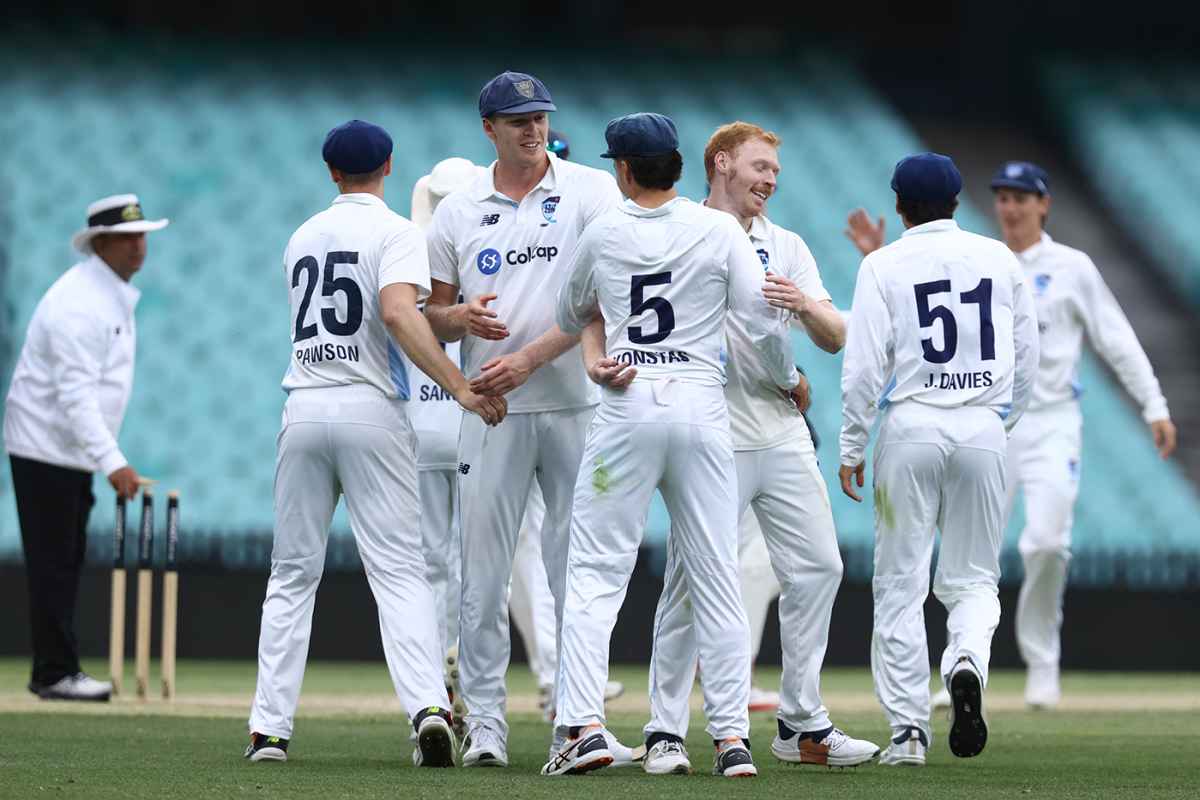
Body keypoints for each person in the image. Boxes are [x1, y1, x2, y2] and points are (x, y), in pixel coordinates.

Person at [848, 161, 1176, 708]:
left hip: (1046, 424)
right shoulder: (980, 258)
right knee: (969, 561)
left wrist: (1154, 403)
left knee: (1046, 543)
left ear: (1044, 205)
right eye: (1002, 195)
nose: (1011, 205)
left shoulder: (1070, 267)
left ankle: (1039, 663)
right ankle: (963, 667)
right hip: (988, 422)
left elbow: (1116, 338)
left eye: (1023, 196)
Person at [546, 112, 804, 778]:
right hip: (699, 403)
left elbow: (569, 312)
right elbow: (762, 320)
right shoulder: (719, 229)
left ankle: (583, 728)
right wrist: (790, 378)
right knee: (716, 575)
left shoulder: (603, 229)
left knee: (596, 573)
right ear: (681, 165)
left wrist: (603, 338)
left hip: (627, 402)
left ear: (624, 169)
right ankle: (729, 740)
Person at [245, 120, 507, 767]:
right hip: (370, 408)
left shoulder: (302, 235)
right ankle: (427, 708)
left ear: (332, 172)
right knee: (400, 572)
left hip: (303, 407)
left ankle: (268, 732)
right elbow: (398, 314)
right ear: (388, 166)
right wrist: (462, 386)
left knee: (291, 575)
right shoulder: (396, 233)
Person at [641, 122, 879, 775]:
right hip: (711, 430)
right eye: (759, 166)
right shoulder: (681, 229)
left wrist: (802, 303)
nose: (770, 180)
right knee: (691, 580)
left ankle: (801, 722)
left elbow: (835, 336)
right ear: (721, 163)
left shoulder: (787, 244)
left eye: (775, 171)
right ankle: (664, 728)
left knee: (819, 568)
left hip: (777, 427)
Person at [423, 71, 624, 768]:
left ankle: (579, 722)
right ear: (489, 129)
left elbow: (604, 300)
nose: (532, 128)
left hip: (574, 405)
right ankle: (484, 725)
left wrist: (531, 358)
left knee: (579, 572)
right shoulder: (458, 210)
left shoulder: (591, 192)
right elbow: (433, 317)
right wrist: (458, 317)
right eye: (517, 120)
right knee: (483, 576)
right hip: (492, 409)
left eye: (539, 116)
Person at [839, 153, 1038, 765]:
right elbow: (1027, 356)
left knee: (900, 584)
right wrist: (999, 422)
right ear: (956, 202)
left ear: (898, 206)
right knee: (974, 579)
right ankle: (965, 663)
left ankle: (907, 733)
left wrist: (851, 444)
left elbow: (864, 366)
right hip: (982, 428)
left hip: (910, 431)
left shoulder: (883, 264)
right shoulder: (1000, 258)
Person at [4, 194, 164, 702]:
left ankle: (56, 668)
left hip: (66, 449)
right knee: (54, 561)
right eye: (127, 238)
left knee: (65, 559)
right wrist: (113, 461)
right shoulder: (78, 303)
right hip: (44, 446)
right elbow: (76, 397)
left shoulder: (107, 292)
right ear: (99, 244)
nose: (139, 246)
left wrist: (102, 455)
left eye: (142, 236)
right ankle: (54, 672)